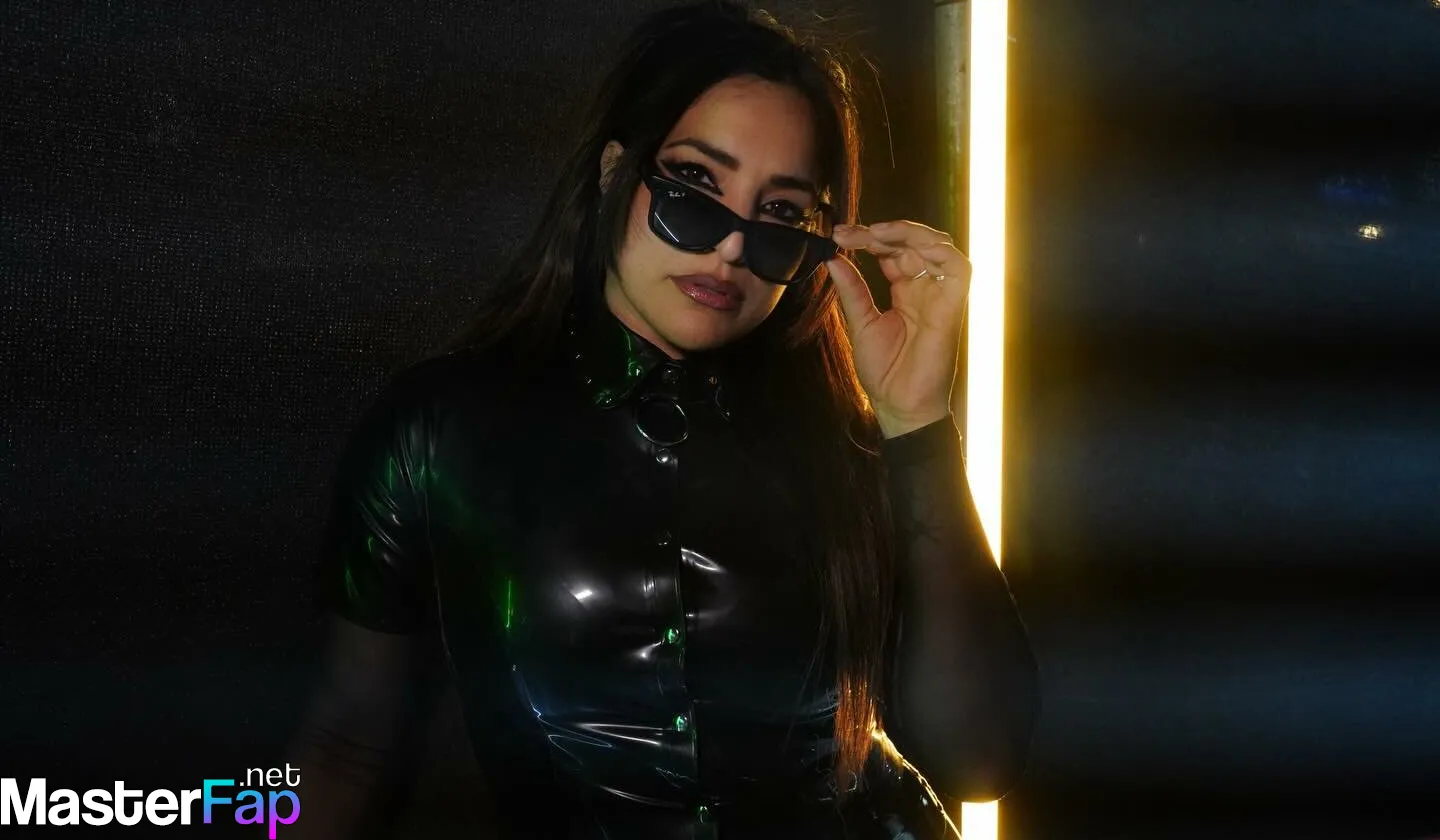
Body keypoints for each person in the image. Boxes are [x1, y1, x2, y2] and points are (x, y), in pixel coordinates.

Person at [290, 2, 1039, 837]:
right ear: (616, 170)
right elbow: (347, 746)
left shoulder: (846, 436)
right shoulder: (441, 431)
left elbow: (980, 759)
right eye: (695, 186)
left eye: (779, 215)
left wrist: (916, 422)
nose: (730, 248)